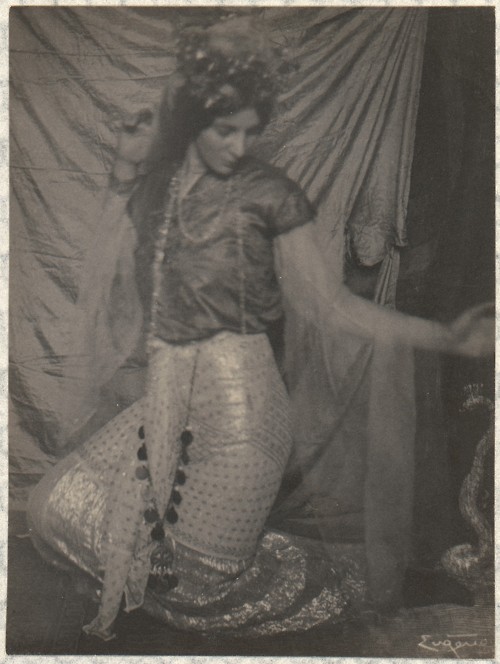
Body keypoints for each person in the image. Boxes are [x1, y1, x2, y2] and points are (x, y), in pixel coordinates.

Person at [27, 17, 493, 642]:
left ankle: (305, 579)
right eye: (226, 130)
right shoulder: (163, 184)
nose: (239, 145)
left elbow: (334, 307)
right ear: (192, 120)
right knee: (51, 508)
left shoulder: (270, 195)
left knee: (189, 585)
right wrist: (122, 170)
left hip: (244, 426)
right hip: (169, 406)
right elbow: (117, 284)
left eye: (251, 131)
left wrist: (445, 336)